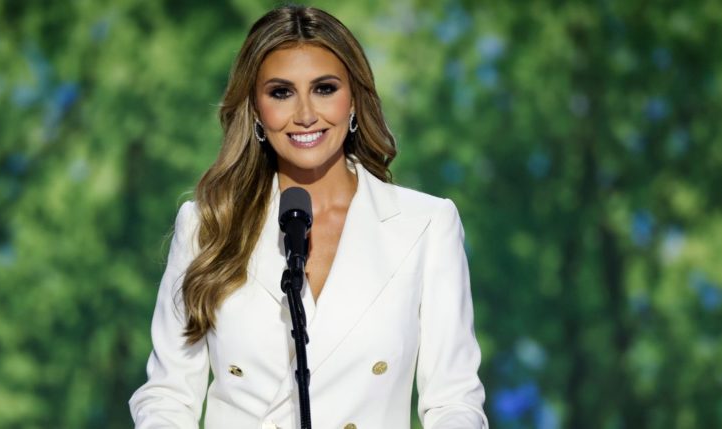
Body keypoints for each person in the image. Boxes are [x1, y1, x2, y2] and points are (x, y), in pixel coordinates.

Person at [129, 5, 487, 429]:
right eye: (281, 92)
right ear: (257, 110)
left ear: (354, 99)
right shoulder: (207, 226)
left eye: (324, 88)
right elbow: (167, 398)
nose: (304, 114)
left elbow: (453, 403)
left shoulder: (426, 225)